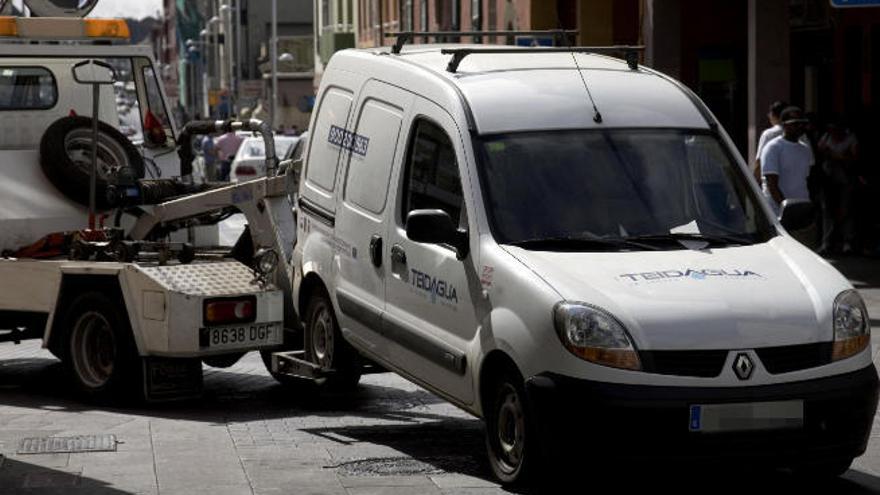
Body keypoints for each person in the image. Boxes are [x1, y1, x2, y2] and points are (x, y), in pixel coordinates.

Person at [761, 106, 816, 245]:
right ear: (784, 125)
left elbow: (807, 180)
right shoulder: (773, 147)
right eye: (795, 124)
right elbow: (772, 184)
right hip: (779, 213)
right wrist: (786, 209)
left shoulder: (805, 149)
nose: (800, 127)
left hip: (802, 212)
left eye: (802, 123)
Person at [817, 118, 860, 254]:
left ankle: (847, 242)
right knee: (827, 211)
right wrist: (836, 155)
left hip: (845, 179)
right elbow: (820, 151)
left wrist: (838, 156)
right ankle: (826, 242)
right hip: (828, 178)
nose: (834, 132)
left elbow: (854, 158)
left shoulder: (850, 138)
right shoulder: (827, 137)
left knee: (846, 210)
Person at [752, 101, 788, 184]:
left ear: (773, 115)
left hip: (770, 185)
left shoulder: (769, 134)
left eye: (770, 113)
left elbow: (759, 161)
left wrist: (754, 183)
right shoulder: (801, 135)